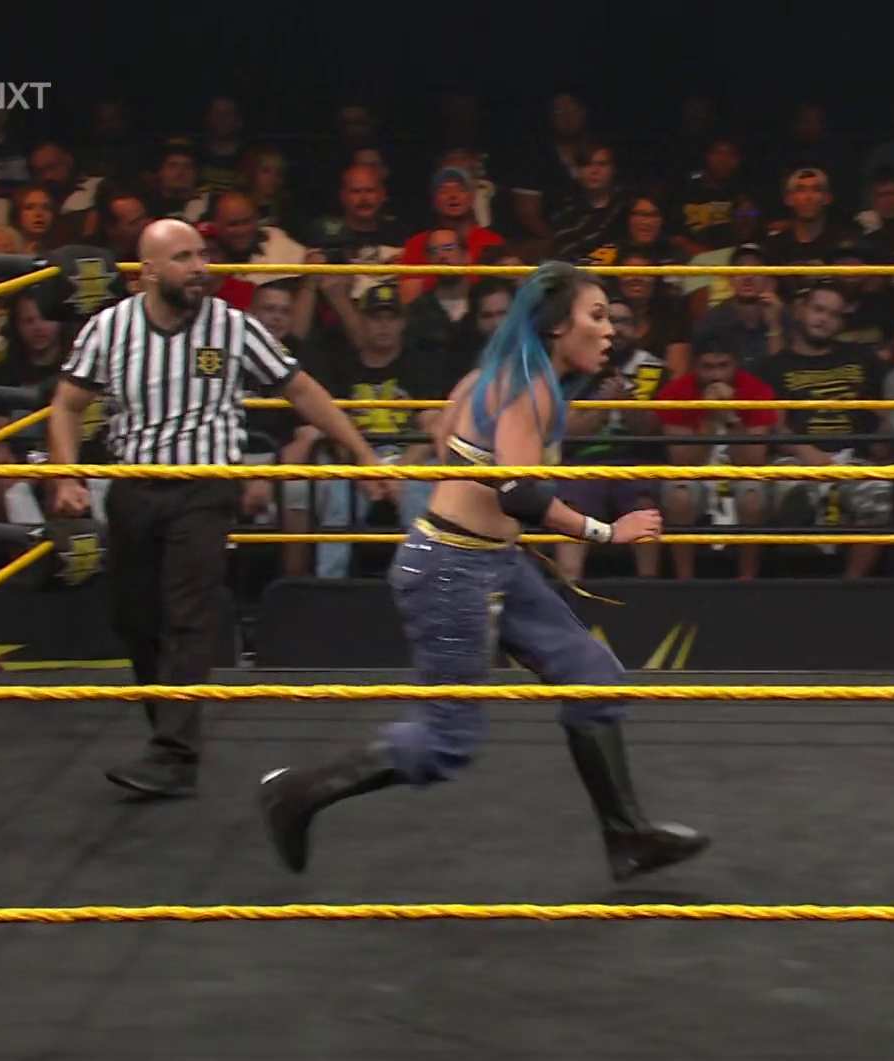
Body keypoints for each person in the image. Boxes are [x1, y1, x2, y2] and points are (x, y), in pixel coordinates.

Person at [257, 261, 709, 883]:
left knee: (590, 675)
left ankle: (627, 837)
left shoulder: (495, 374)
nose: (610, 330)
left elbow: (448, 434)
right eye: (597, 316)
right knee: (448, 741)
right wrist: (607, 531)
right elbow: (519, 494)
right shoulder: (529, 385)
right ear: (558, 324)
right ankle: (297, 792)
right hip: (451, 567)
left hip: (492, 560)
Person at [50, 219, 389, 798]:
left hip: (205, 488)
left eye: (201, 255)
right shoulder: (110, 328)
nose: (199, 268)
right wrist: (65, 474)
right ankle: (170, 734)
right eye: (183, 258)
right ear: (149, 271)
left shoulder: (232, 327)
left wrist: (360, 452)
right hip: (134, 488)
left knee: (188, 614)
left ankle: (174, 755)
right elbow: (65, 405)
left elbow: (300, 388)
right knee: (135, 620)